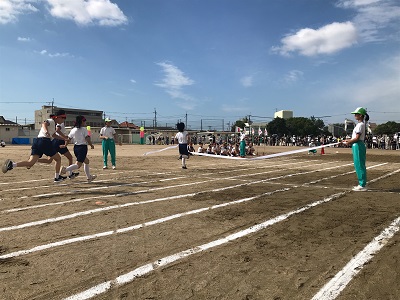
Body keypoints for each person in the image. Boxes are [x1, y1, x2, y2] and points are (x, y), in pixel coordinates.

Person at [2, 113, 66, 182]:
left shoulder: (54, 125)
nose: (63, 120)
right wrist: (46, 131)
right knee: (58, 158)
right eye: (63, 118)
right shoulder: (51, 121)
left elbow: (53, 135)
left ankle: (12, 165)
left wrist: (64, 138)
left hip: (37, 141)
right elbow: (44, 124)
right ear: (57, 117)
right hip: (44, 141)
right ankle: (57, 178)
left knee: (31, 162)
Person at [36, 110, 79, 179]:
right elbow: (57, 130)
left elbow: (54, 133)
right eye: (63, 117)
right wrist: (64, 137)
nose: (64, 119)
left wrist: (64, 138)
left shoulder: (57, 122)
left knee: (50, 160)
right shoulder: (57, 122)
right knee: (68, 157)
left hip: (55, 141)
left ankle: (35, 160)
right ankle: (69, 173)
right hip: (58, 142)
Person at [61, 115, 96, 183]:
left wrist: (65, 145)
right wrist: (91, 145)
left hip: (76, 148)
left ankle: (89, 177)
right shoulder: (84, 129)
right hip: (82, 148)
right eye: (84, 120)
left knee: (86, 161)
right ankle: (65, 170)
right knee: (78, 165)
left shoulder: (73, 130)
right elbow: (87, 138)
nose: (85, 122)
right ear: (82, 121)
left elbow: (68, 139)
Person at [343, 107, 369, 191]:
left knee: (359, 165)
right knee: (359, 164)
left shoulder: (360, 125)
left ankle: (362, 184)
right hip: (357, 144)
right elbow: (355, 137)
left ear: (360, 115)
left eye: (356, 114)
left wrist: (349, 142)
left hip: (357, 145)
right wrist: (348, 140)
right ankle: (362, 183)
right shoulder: (360, 124)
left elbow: (357, 138)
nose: (355, 115)